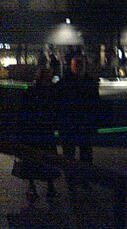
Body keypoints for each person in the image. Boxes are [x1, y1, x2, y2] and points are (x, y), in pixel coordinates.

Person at [13, 68, 61, 202]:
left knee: (37, 161)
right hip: (40, 131)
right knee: (44, 160)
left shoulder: (33, 91)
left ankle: (36, 187)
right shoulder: (45, 92)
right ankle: (46, 188)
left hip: (36, 132)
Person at [58, 47, 100, 168]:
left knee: (83, 153)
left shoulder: (67, 82)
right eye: (77, 65)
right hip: (72, 124)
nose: (79, 67)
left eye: (80, 65)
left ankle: (81, 178)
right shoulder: (85, 82)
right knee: (72, 153)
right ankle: (75, 180)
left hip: (79, 124)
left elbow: (95, 103)